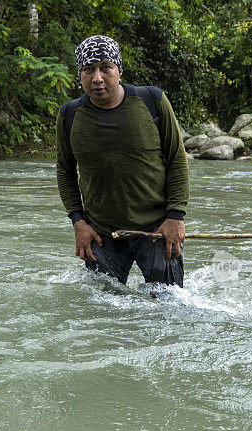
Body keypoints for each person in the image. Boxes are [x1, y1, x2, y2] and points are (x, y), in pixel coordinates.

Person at [56, 35, 190, 287]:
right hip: (100, 234)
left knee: (168, 307)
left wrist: (175, 216)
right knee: (104, 314)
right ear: (79, 75)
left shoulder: (153, 101)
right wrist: (78, 222)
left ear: (119, 71)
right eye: (88, 69)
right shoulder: (69, 115)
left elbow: (177, 160)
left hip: (156, 230)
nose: (97, 78)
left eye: (105, 67)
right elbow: (65, 172)